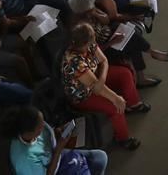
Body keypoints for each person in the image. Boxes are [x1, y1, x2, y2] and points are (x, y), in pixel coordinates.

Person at [60, 23, 144, 151]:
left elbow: (104, 60)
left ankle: (133, 104)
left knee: (124, 74)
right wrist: (116, 98)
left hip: (96, 78)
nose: (95, 41)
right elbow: (96, 88)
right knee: (114, 106)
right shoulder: (74, 62)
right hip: (83, 95)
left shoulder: (89, 44)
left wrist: (101, 80)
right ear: (85, 42)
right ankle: (123, 138)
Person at [4, 105, 109, 175]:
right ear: (29, 133)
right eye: (40, 127)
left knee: (100, 157)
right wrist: (59, 148)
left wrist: (57, 131)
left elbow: (47, 132)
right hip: (52, 168)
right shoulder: (25, 161)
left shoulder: (36, 125)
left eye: (43, 121)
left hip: (56, 154)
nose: (44, 125)